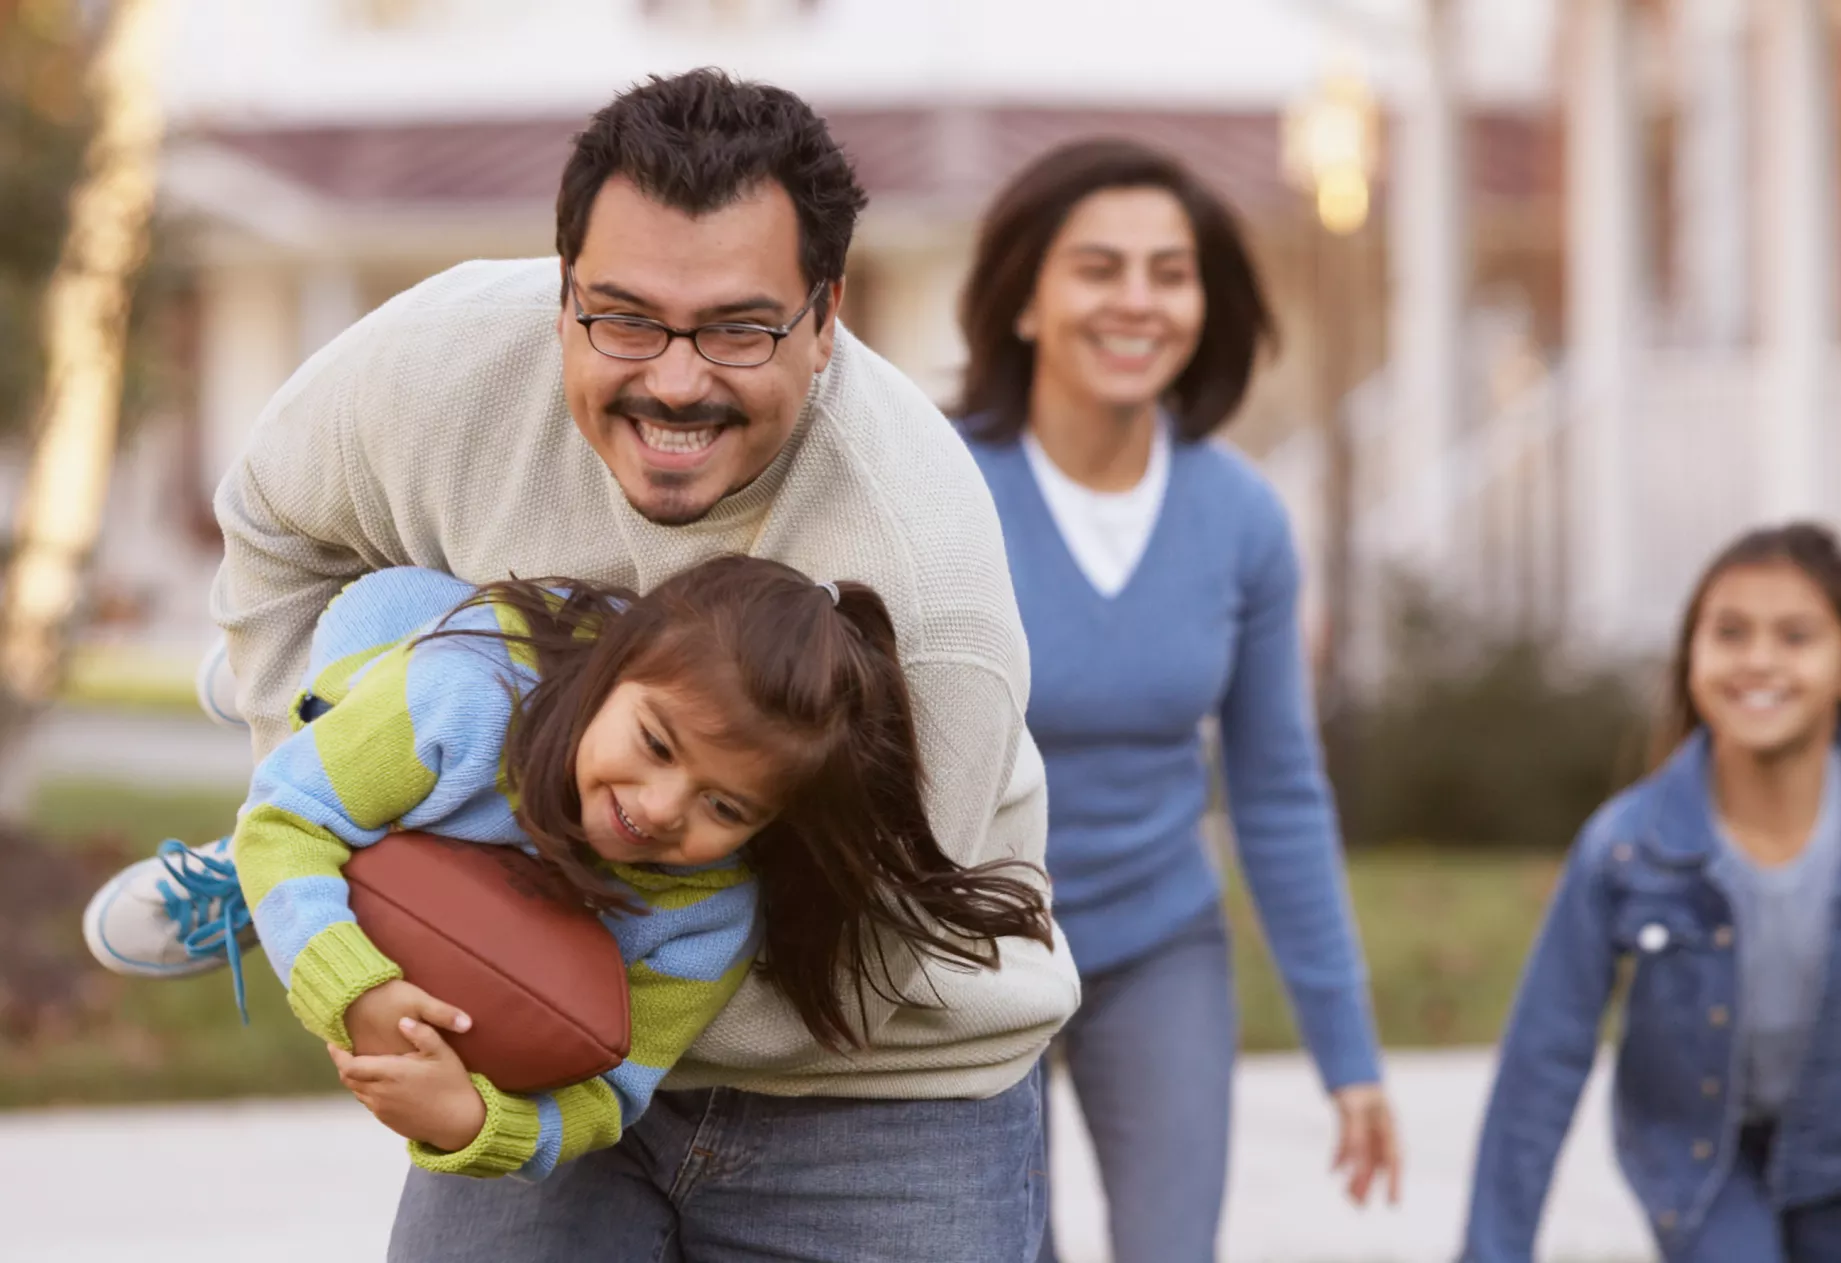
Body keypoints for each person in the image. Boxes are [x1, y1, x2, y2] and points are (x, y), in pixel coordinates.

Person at [80, 69, 1076, 1261]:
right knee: (434, 689)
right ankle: (308, 807)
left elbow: (865, 961)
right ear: (561, 295)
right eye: (624, 316)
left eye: (739, 328)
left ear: (824, 323)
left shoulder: (923, 592)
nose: (672, 378)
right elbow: (276, 526)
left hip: (876, 1085)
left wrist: (513, 966)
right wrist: (344, 809)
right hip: (530, 948)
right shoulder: (436, 363)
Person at [237, 557, 1047, 1182]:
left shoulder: (710, 911)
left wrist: (474, 1121)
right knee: (311, 795)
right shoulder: (465, 695)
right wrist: (355, 986)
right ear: (611, 669)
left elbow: (611, 1092)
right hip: (392, 634)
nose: (661, 807)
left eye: (725, 807)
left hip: (488, 848)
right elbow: (283, 822)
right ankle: (233, 864)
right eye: (657, 744)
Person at [955, 138, 1400, 1262]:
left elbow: (1280, 794)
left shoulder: (1241, 519)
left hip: (1160, 943)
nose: (1138, 302)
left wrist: (1348, 1058)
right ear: (1024, 300)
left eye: (1170, 271)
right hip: (968, 951)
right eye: (1100, 268)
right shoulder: (942, 492)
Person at [1460, 523, 1841, 1263]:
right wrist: (1492, 1250)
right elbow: (1544, 1056)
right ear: (1691, 659)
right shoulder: (1628, 847)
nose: (1759, 659)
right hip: (1695, 1161)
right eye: (1729, 633)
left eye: (1796, 636)